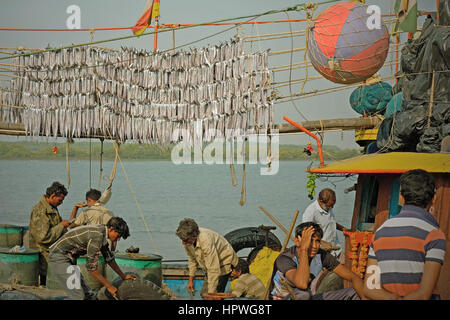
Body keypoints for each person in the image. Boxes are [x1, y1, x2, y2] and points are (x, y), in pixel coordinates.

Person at [363, 169, 446, 300]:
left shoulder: (381, 232)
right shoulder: (435, 235)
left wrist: (393, 298)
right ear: (434, 199)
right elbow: (424, 294)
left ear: (401, 198)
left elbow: (370, 287)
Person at [268, 222, 365, 300]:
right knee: (304, 294)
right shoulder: (285, 259)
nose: (314, 246)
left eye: (317, 241)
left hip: (308, 297)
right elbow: (302, 284)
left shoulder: (321, 255)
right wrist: (304, 250)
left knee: (355, 291)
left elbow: (353, 277)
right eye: (309, 241)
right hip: (285, 298)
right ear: (297, 241)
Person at [48, 216, 136, 300]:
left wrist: (123, 276)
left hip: (71, 257)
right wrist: (109, 286)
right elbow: (91, 268)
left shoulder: (102, 232)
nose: (119, 239)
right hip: (59, 256)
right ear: (111, 229)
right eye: (118, 236)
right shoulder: (97, 236)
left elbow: (109, 258)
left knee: (88, 294)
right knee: (78, 296)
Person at [175, 218, 238, 297]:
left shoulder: (206, 240)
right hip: (209, 266)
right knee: (204, 294)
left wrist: (211, 294)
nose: (183, 243)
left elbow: (214, 269)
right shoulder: (187, 241)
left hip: (224, 262)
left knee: (214, 295)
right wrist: (190, 279)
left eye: (185, 240)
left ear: (194, 236)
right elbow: (192, 259)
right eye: (182, 239)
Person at [29, 181, 71, 286]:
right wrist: (61, 226)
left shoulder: (52, 208)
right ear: (52, 196)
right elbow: (42, 237)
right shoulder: (41, 211)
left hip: (52, 254)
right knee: (46, 284)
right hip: (43, 256)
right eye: (60, 200)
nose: (61, 203)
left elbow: (57, 227)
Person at [302, 188, 349, 256]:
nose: (332, 207)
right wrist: (322, 242)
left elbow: (331, 222)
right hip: (321, 251)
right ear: (321, 201)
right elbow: (306, 231)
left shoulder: (327, 207)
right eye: (330, 205)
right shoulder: (311, 212)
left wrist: (343, 229)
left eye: (333, 205)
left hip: (336, 248)